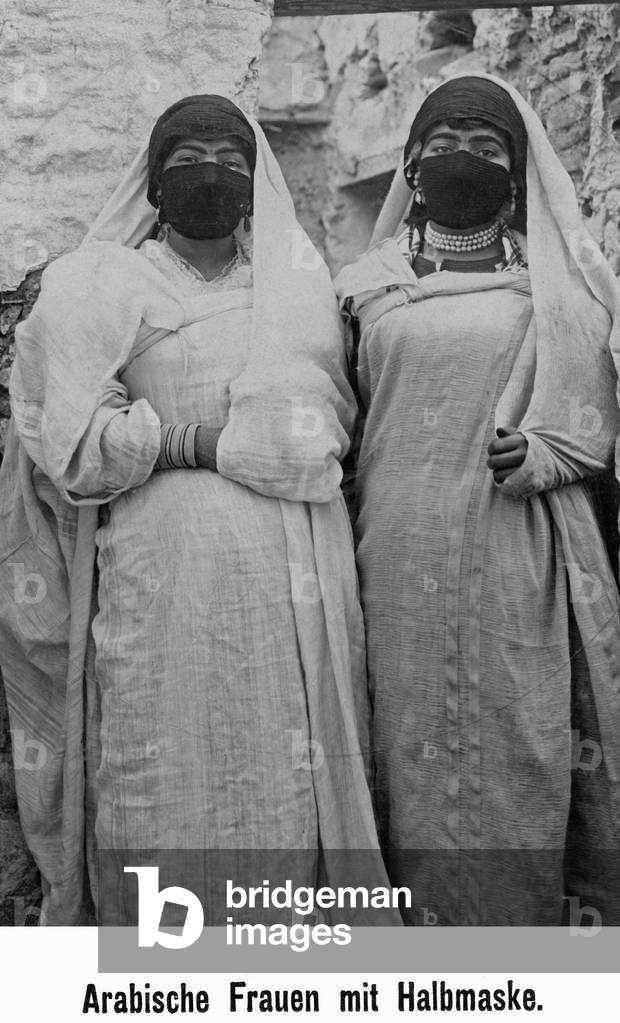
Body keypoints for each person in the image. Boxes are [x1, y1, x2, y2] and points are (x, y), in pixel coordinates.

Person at [0, 94, 400, 926]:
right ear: (152, 181)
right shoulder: (105, 280)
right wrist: (192, 442)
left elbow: (323, 427)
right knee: (155, 757)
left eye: (227, 158)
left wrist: (255, 443)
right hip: (157, 565)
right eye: (185, 160)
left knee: (282, 765)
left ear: (255, 182)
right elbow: (67, 428)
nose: (208, 173)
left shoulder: (295, 292)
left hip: (283, 567)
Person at [335, 74, 620, 926]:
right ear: (413, 162)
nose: (467, 160)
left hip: (518, 554)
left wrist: (541, 450)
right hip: (392, 554)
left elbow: (595, 419)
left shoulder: (560, 287)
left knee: (519, 734)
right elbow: (339, 419)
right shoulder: (361, 287)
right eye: (446, 145)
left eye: (490, 150)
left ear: (519, 169)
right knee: (404, 740)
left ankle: (519, 948)